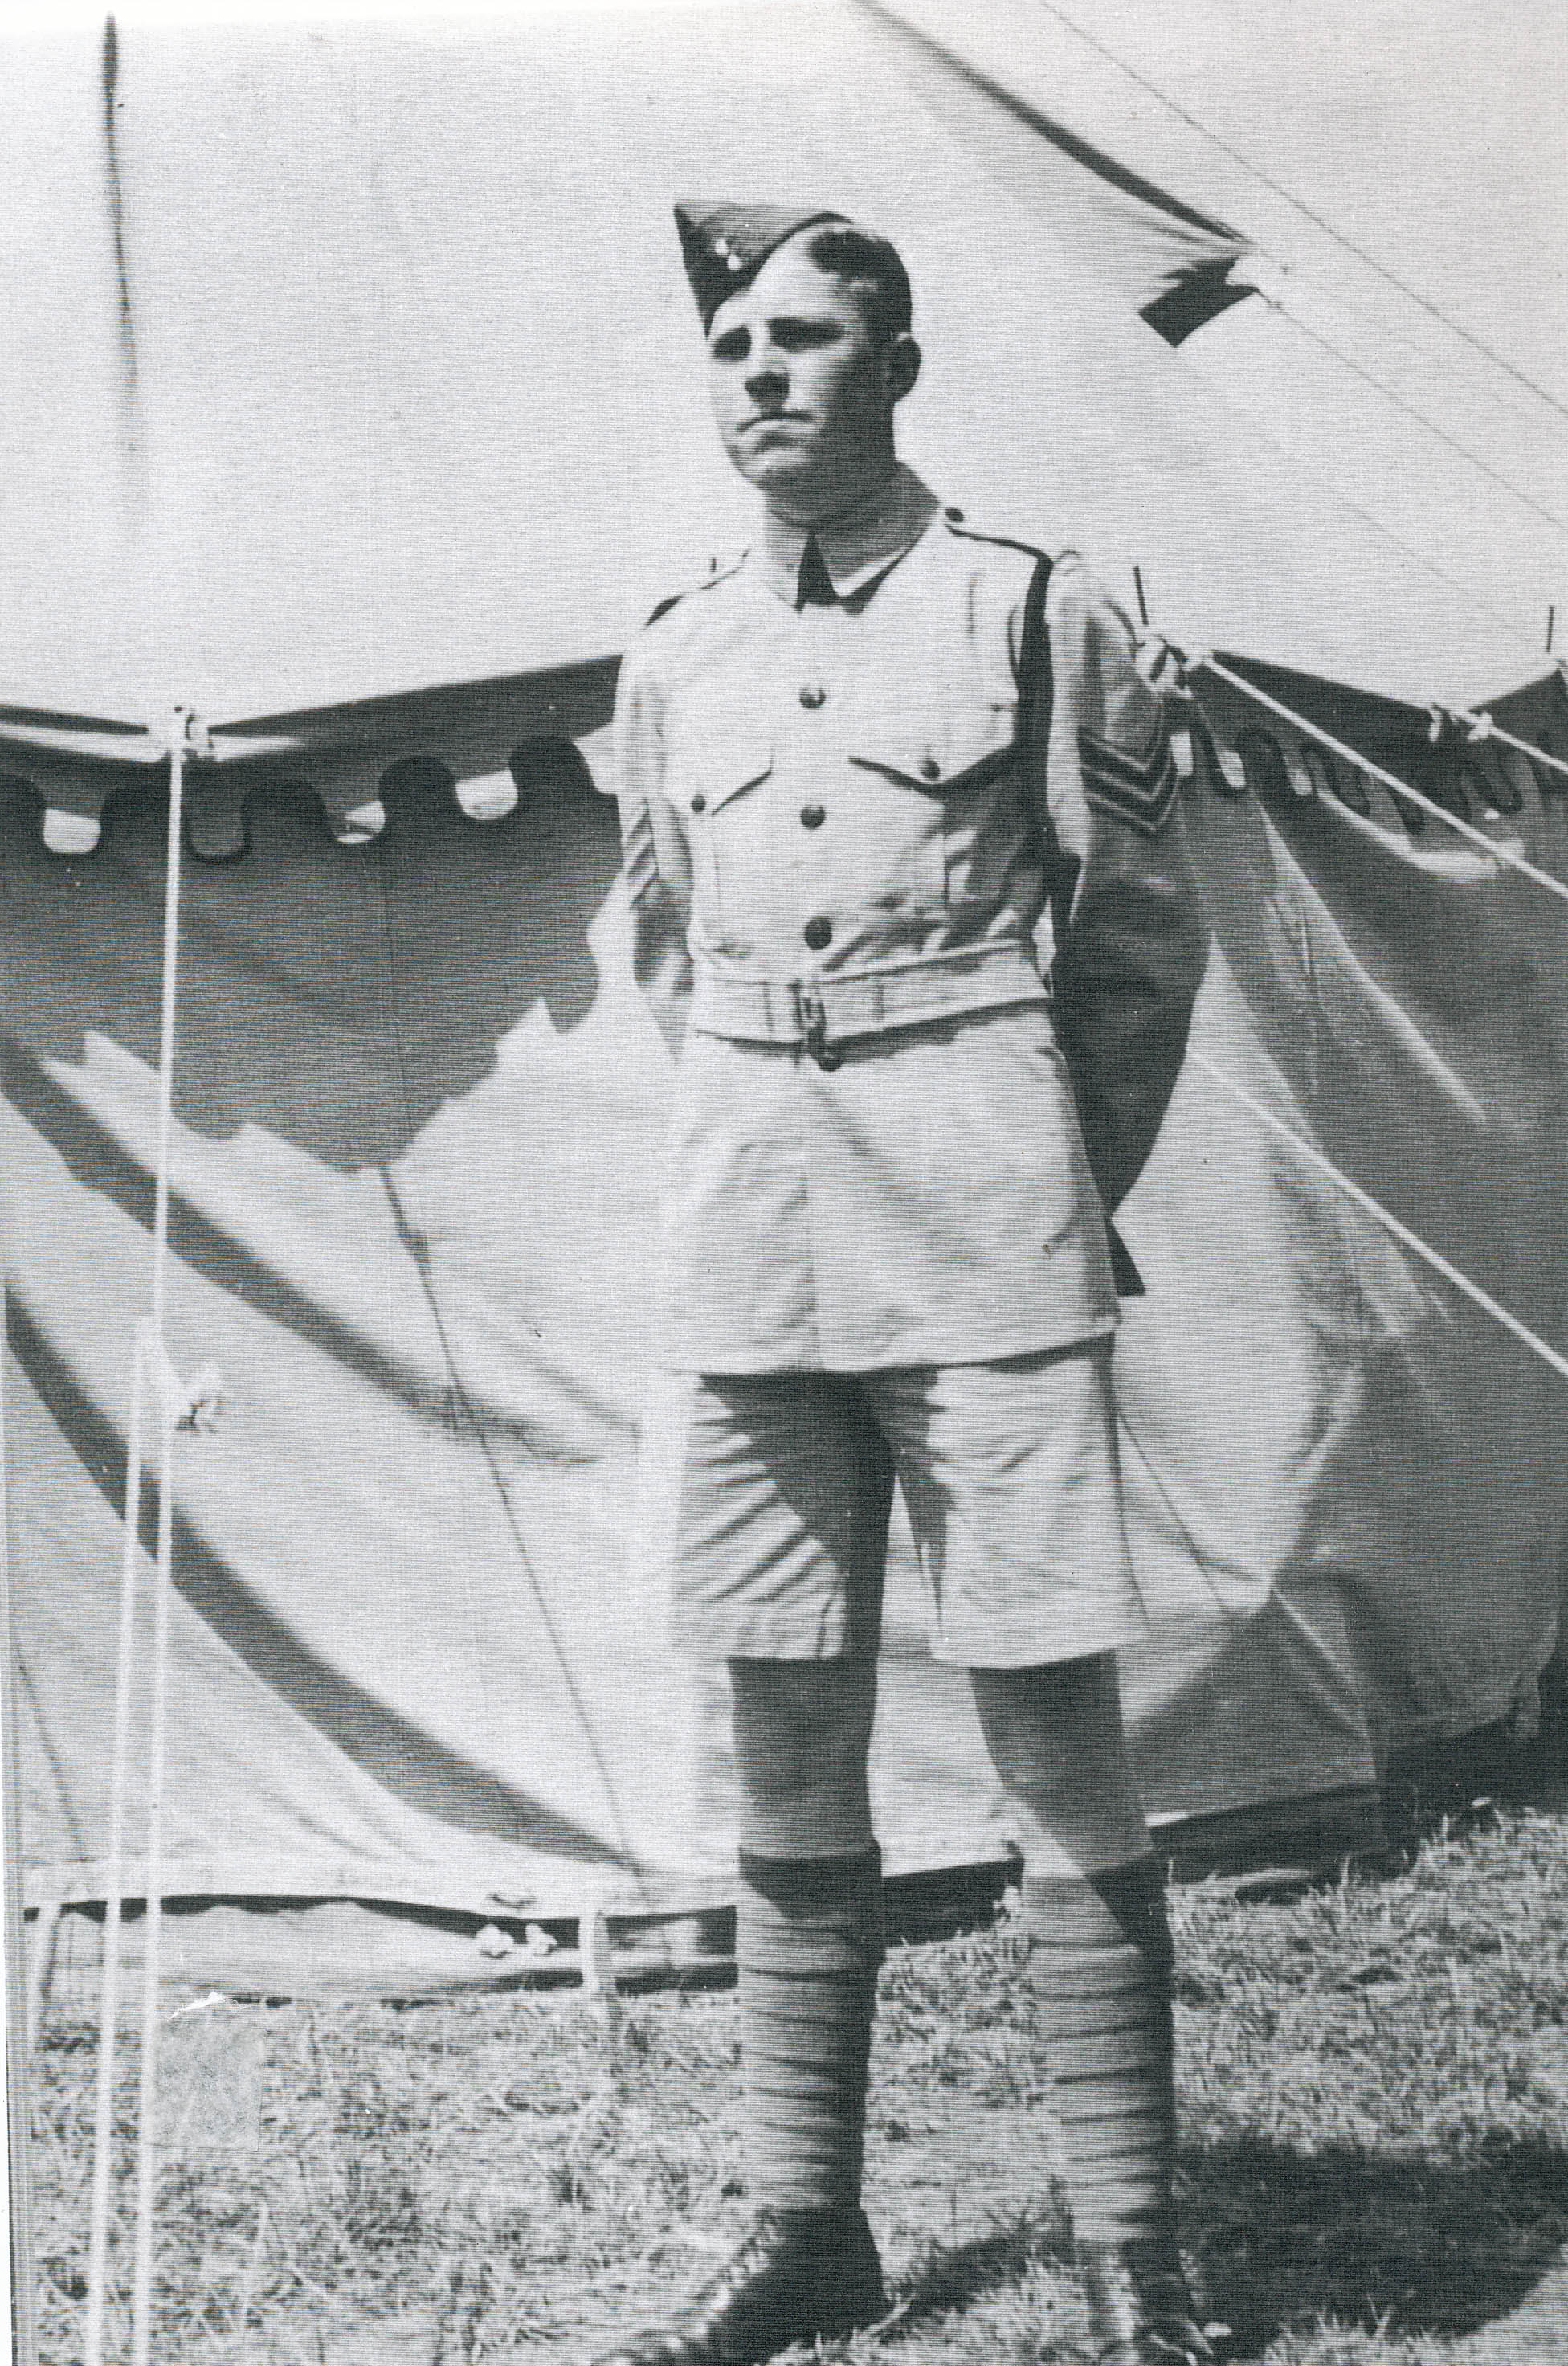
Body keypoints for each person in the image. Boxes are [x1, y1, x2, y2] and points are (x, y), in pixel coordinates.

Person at [597, 198, 1212, 2366]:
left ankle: (1132, 2235)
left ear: (900, 369)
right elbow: (676, 948)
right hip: (756, 1244)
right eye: (735, 344)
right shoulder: (673, 648)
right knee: (786, 1737)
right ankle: (806, 2224)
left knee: (1057, 1733)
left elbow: (1136, 946)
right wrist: (790, 1128)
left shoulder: (1031, 610)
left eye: (809, 339)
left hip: (987, 1230)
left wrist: (1041, 1180)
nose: (763, 373)